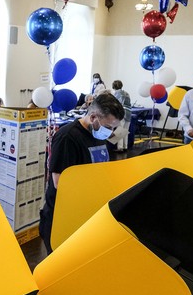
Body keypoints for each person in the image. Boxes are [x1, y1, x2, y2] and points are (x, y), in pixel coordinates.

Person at [38, 92, 125, 254]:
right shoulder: (67, 137)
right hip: (62, 218)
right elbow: (60, 182)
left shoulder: (98, 133)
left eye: (114, 128)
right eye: (108, 127)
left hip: (86, 214)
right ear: (93, 117)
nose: (111, 132)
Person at [110, 81, 132, 152]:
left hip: (122, 112)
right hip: (129, 113)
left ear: (113, 86)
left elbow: (115, 104)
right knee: (125, 131)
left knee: (120, 130)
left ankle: (120, 148)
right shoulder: (127, 93)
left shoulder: (116, 93)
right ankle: (125, 146)